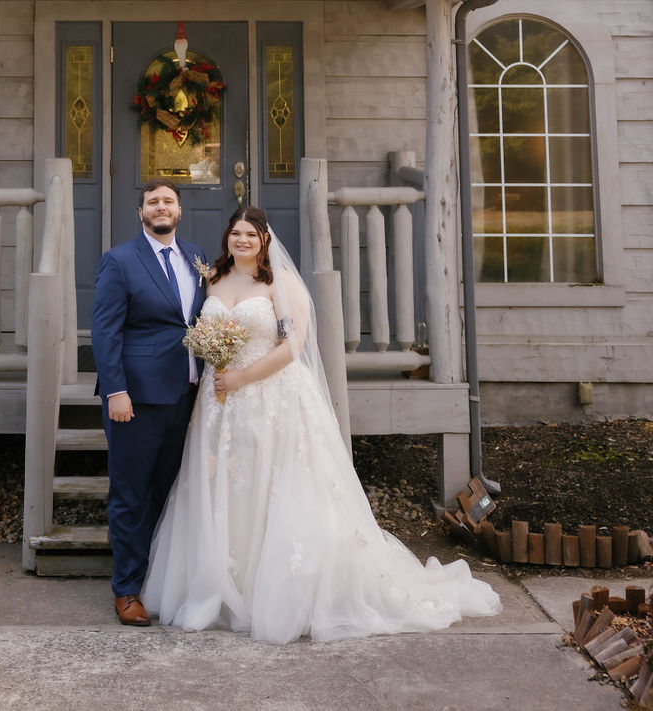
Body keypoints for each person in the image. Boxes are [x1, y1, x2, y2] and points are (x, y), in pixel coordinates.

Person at [143, 205, 503, 645]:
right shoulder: (214, 280)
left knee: (274, 486)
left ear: (264, 241)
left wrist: (240, 377)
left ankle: (272, 590)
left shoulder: (281, 282)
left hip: (269, 397)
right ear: (227, 239)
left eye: (251, 234)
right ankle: (221, 585)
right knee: (224, 489)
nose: (242, 240)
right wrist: (219, 369)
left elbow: (293, 345)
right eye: (235, 233)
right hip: (219, 407)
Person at [91, 181, 207, 627]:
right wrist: (115, 391)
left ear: (179, 211)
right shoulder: (119, 260)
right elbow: (106, 331)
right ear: (140, 211)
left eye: (169, 201)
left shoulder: (196, 258)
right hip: (135, 399)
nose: (162, 207)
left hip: (187, 395)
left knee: (169, 492)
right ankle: (127, 589)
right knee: (130, 492)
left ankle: (162, 583)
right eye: (153, 201)